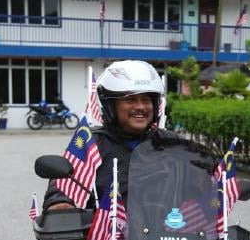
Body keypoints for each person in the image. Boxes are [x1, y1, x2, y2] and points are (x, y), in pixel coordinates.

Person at [44, 60, 165, 213]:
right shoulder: (90, 144)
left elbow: (196, 185)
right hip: (107, 233)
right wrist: (60, 203)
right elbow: (62, 188)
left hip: (166, 232)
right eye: (130, 99)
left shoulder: (170, 144)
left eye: (146, 100)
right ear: (110, 105)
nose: (140, 107)